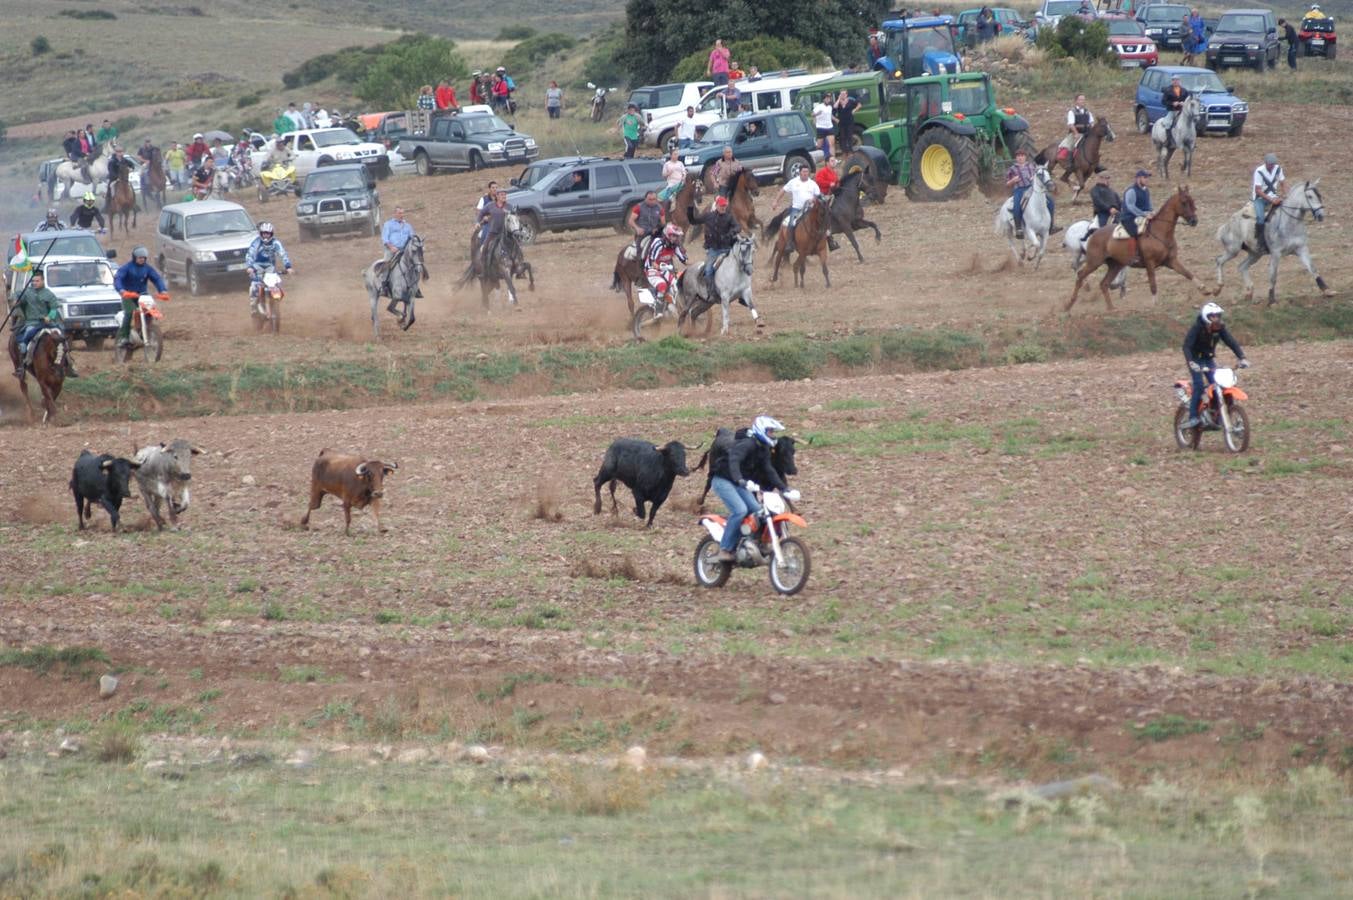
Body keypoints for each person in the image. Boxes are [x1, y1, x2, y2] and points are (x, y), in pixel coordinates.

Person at [708, 416, 794, 564]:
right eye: (770, 431)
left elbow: (769, 470)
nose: (773, 435)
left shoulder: (763, 448)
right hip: (723, 479)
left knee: (757, 510)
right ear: (761, 430)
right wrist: (740, 479)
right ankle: (725, 549)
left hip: (740, 482)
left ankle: (750, 541)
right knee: (740, 510)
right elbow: (733, 460)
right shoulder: (747, 444)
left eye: (773, 432)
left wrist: (784, 488)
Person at [1181, 303, 1249, 429]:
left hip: (1208, 359)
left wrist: (1242, 357)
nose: (1216, 318)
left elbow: (1231, 341)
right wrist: (1191, 361)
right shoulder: (1197, 327)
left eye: (1218, 315)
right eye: (1213, 316)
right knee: (1199, 385)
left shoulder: (1219, 328)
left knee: (1219, 385)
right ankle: (1193, 417)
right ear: (1206, 316)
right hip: (1196, 360)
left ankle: (1217, 415)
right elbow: (1186, 346)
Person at [11, 270, 77, 379]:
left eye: (37, 281)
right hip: (32, 323)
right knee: (25, 339)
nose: (34, 283)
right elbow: (18, 297)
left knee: (62, 339)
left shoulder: (49, 294)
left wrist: (49, 316)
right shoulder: (27, 293)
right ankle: (22, 367)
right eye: (33, 281)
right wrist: (16, 300)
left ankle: (69, 364)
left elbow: (54, 308)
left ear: (43, 281)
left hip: (49, 324)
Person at [113, 247, 168, 351]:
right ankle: (124, 337)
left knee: (149, 312)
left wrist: (163, 290)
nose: (142, 259)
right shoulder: (127, 267)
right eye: (140, 258)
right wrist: (121, 290)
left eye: (144, 258)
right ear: (134, 257)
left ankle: (146, 331)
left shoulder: (147, 268)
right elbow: (118, 278)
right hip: (128, 296)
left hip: (143, 295)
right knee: (129, 313)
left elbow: (157, 278)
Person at [688, 195, 740, 284]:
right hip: (713, 250)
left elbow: (737, 227)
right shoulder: (708, 216)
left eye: (724, 206)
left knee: (740, 267)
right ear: (716, 205)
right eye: (721, 206)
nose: (723, 208)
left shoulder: (729, 217)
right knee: (708, 270)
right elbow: (693, 221)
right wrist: (689, 211)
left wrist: (729, 234)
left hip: (727, 249)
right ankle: (710, 290)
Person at [245, 222, 294, 315]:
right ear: (261, 234)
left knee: (276, 284)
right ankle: (254, 308)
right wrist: (250, 267)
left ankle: (275, 303)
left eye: (267, 233)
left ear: (271, 234)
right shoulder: (256, 242)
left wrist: (288, 266)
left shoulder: (276, 243)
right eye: (264, 233)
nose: (265, 236)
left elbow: (283, 254)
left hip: (270, 268)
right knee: (254, 286)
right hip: (257, 267)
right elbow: (250, 254)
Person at [641, 223, 687, 314]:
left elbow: (684, 260)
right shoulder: (658, 243)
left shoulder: (675, 246)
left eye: (677, 236)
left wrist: (697, 266)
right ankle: (658, 311)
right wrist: (664, 267)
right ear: (668, 235)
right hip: (651, 270)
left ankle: (674, 306)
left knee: (676, 284)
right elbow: (652, 262)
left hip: (664, 269)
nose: (676, 238)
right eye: (674, 236)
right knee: (662, 285)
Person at [771, 164, 822, 245]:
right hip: (797, 209)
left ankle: (829, 240)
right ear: (800, 172)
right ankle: (790, 242)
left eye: (807, 172)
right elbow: (783, 190)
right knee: (791, 223)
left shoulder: (813, 184)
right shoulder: (793, 182)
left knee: (823, 221)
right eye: (804, 171)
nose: (805, 173)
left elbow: (818, 196)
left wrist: (813, 199)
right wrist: (776, 201)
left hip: (810, 209)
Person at [474, 190, 514, 280]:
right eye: (502, 195)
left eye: (505, 194)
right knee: (484, 249)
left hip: (506, 234)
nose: (504, 196)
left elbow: (514, 216)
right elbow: (480, 213)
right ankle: (484, 270)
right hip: (493, 233)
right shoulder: (490, 206)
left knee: (517, 247)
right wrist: (477, 222)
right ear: (497, 196)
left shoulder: (509, 206)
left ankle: (518, 268)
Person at [1252, 152, 1286, 254]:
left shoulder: (1278, 169)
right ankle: (1260, 243)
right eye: (1270, 164)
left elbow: (1283, 183)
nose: (1272, 166)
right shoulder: (1259, 171)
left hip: (1273, 196)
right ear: (1266, 163)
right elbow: (1258, 190)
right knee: (1260, 218)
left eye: (1273, 164)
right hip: (1260, 198)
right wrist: (1272, 200)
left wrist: (1284, 195)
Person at [1119, 168, 1153, 263]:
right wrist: (1144, 214)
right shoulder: (1131, 191)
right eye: (1144, 177)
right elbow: (1131, 207)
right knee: (1134, 232)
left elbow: (1149, 204)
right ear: (1138, 178)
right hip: (1129, 217)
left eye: (1147, 177)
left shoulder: (1146, 190)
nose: (1147, 179)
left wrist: (1151, 211)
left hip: (1143, 216)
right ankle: (1133, 255)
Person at [1058, 94, 1094, 163]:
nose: (1083, 101)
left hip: (1086, 134)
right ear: (1076, 101)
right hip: (1076, 134)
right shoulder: (1072, 112)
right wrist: (1076, 133)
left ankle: (1096, 164)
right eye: (1081, 100)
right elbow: (1071, 124)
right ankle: (1070, 161)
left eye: (1084, 99)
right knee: (1069, 146)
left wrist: (1092, 131)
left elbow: (1092, 122)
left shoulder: (1087, 112)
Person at [628, 191, 666, 256]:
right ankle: (638, 262)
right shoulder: (638, 207)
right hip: (643, 233)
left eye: (654, 199)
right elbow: (631, 221)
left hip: (655, 233)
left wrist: (657, 228)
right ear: (645, 198)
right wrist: (637, 228)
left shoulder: (660, 208)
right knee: (638, 250)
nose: (652, 201)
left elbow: (663, 223)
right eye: (650, 199)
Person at [1160, 74, 1189, 142]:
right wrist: (1172, 103)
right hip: (1172, 111)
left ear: (1179, 81)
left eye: (1177, 80)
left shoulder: (1184, 90)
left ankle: (1190, 140)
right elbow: (1163, 101)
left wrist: (1184, 103)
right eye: (1174, 80)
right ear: (1172, 81)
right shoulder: (1168, 90)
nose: (1175, 81)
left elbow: (1188, 100)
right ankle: (1168, 139)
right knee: (1168, 123)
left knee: (1190, 123)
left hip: (1182, 111)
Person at [835, 89, 860, 154]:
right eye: (841, 94)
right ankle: (844, 151)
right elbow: (835, 107)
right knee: (842, 137)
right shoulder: (838, 102)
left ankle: (850, 150)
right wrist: (838, 99)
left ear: (846, 94)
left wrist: (854, 110)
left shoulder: (850, 101)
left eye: (844, 94)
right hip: (841, 122)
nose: (843, 95)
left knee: (849, 136)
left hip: (849, 121)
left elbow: (859, 105)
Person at [812, 94, 835, 158]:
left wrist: (836, 119)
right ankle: (813, 156)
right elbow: (812, 114)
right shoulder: (819, 106)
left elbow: (830, 115)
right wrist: (817, 114)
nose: (828, 100)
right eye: (826, 98)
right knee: (819, 145)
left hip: (829, 127)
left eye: (829, 99)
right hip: (821, 127)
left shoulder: (830, 107)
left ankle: (832, 159)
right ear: (823, 99)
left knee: (831, 144)